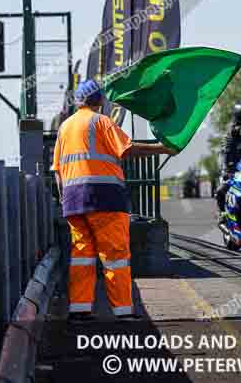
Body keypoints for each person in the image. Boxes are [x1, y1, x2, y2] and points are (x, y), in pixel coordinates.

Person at [52, 80, 178, 322]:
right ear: (99, 99)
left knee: (82, 256)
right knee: (115, 257)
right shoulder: (101, 122)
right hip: (104, 198)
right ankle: (123, 312)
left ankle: (79, 310)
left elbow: (58, 170)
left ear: (79, 100)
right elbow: (126, 149)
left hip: (73, 201)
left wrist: (63, 199)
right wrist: (163, 149)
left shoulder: (65, 127)